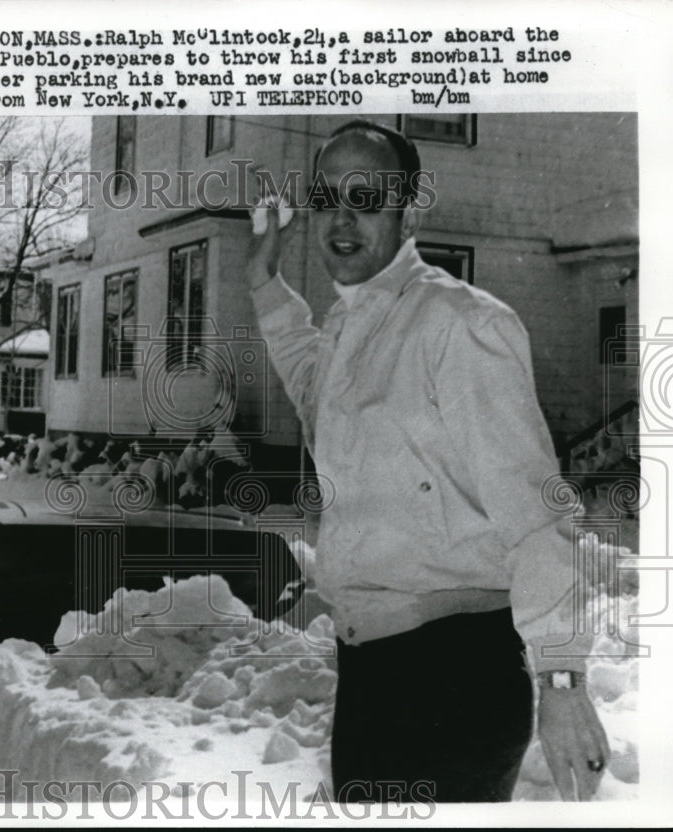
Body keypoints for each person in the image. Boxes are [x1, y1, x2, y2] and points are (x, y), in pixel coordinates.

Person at [246, 119, 610, 803]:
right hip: (372, 678)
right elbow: (313, 389)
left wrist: (563, 681)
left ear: (409, 212)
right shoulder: (351, 325)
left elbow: (534, 507)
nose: (342, 219)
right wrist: (264, 281)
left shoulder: (461, 324)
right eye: (327, 198)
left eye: (367, 198)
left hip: (455, 678)